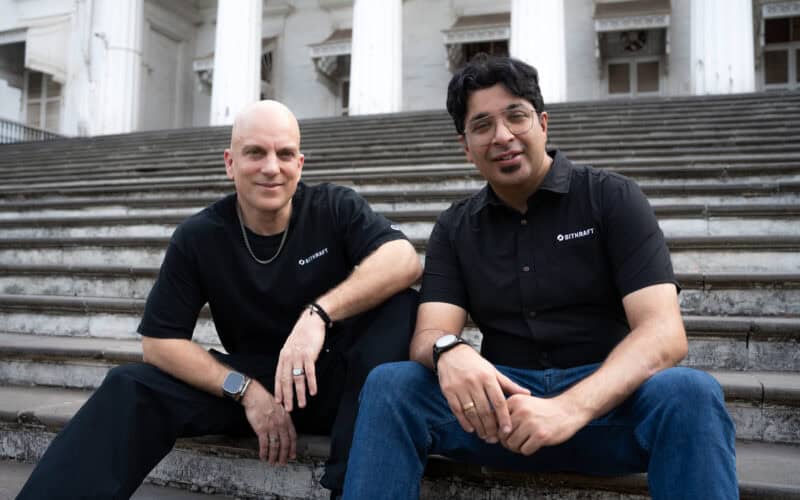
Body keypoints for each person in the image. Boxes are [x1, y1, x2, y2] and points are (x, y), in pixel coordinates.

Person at [342, 55, 738, 499]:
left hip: (605, 407)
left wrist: (569, 408)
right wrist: (449, 351)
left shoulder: (611, 197)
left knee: (690, 392)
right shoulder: (456, 226)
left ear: (543, 123)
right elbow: (430, 333)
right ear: (466, 146)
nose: (503, 136)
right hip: (499, 413)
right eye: (482, 125)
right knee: (392, 385)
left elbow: (664, 333)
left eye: (516, 116)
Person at [17, 100, 422, 499]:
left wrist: (318, 315)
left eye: (284, 154)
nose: (271, 167)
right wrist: (246, 391)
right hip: (256, 382)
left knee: (399, 305)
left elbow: (404, 259)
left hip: (343, 386)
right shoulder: (200, 236)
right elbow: (159, 343)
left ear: (300, 165)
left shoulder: (334, 206)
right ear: (230, 162)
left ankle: (354, 485)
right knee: (130, 385)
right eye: (255, 153)